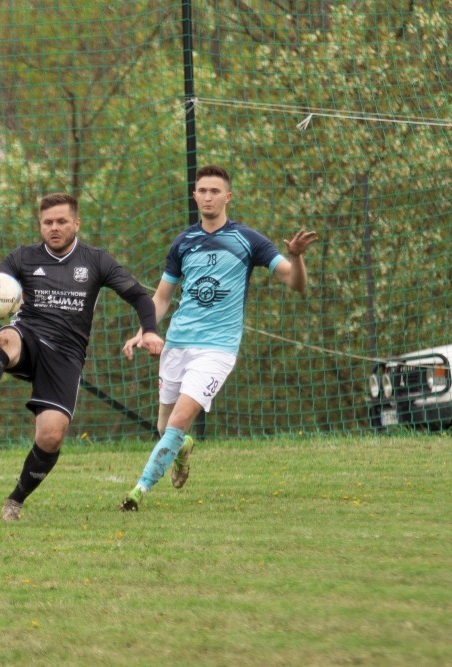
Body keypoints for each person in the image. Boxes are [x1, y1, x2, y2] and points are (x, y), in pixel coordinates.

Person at [0, 192, 164, 522]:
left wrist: (149, 331)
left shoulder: (96, 261)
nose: (54, 228)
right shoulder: (24, 257)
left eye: (61, 221)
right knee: (6, 337)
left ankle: (15, 500)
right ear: (40, 225)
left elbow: (139, 297)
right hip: (28, 335)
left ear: (77, 223)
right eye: (47, 222)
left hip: (66, 354)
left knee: (51, 436)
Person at [119, 164, 318, 511]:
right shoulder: (183, 243)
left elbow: (295, 282)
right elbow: (162, 297)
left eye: (215, 191)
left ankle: (138, 491)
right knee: (165, 427)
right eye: (202, 191)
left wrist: (296, 258)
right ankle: (182, 448)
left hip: (217, 349)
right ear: (194, 195)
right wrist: (145, 331)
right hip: (178, 343)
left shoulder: (249, 240)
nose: (208, 197)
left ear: (228, 196)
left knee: (178, 421)